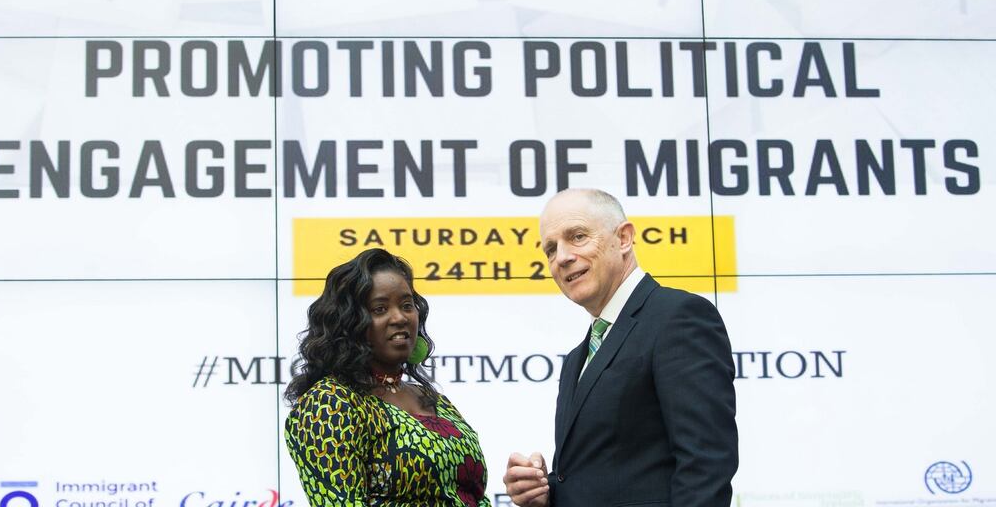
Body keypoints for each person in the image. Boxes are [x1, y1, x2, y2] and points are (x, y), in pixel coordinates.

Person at [503, 189, 738, 507]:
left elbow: (705, 465)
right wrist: (546, 495)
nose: (562, 257)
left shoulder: (678, 317)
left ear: (624, 238)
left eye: (578, 236)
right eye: (550, 249)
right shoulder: (577, 358)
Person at [285, 248, 490, 507]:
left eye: (407, 305)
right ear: (349, 322)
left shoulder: (434, 400)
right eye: (380, 309)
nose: (400, 317)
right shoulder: (329, 403)